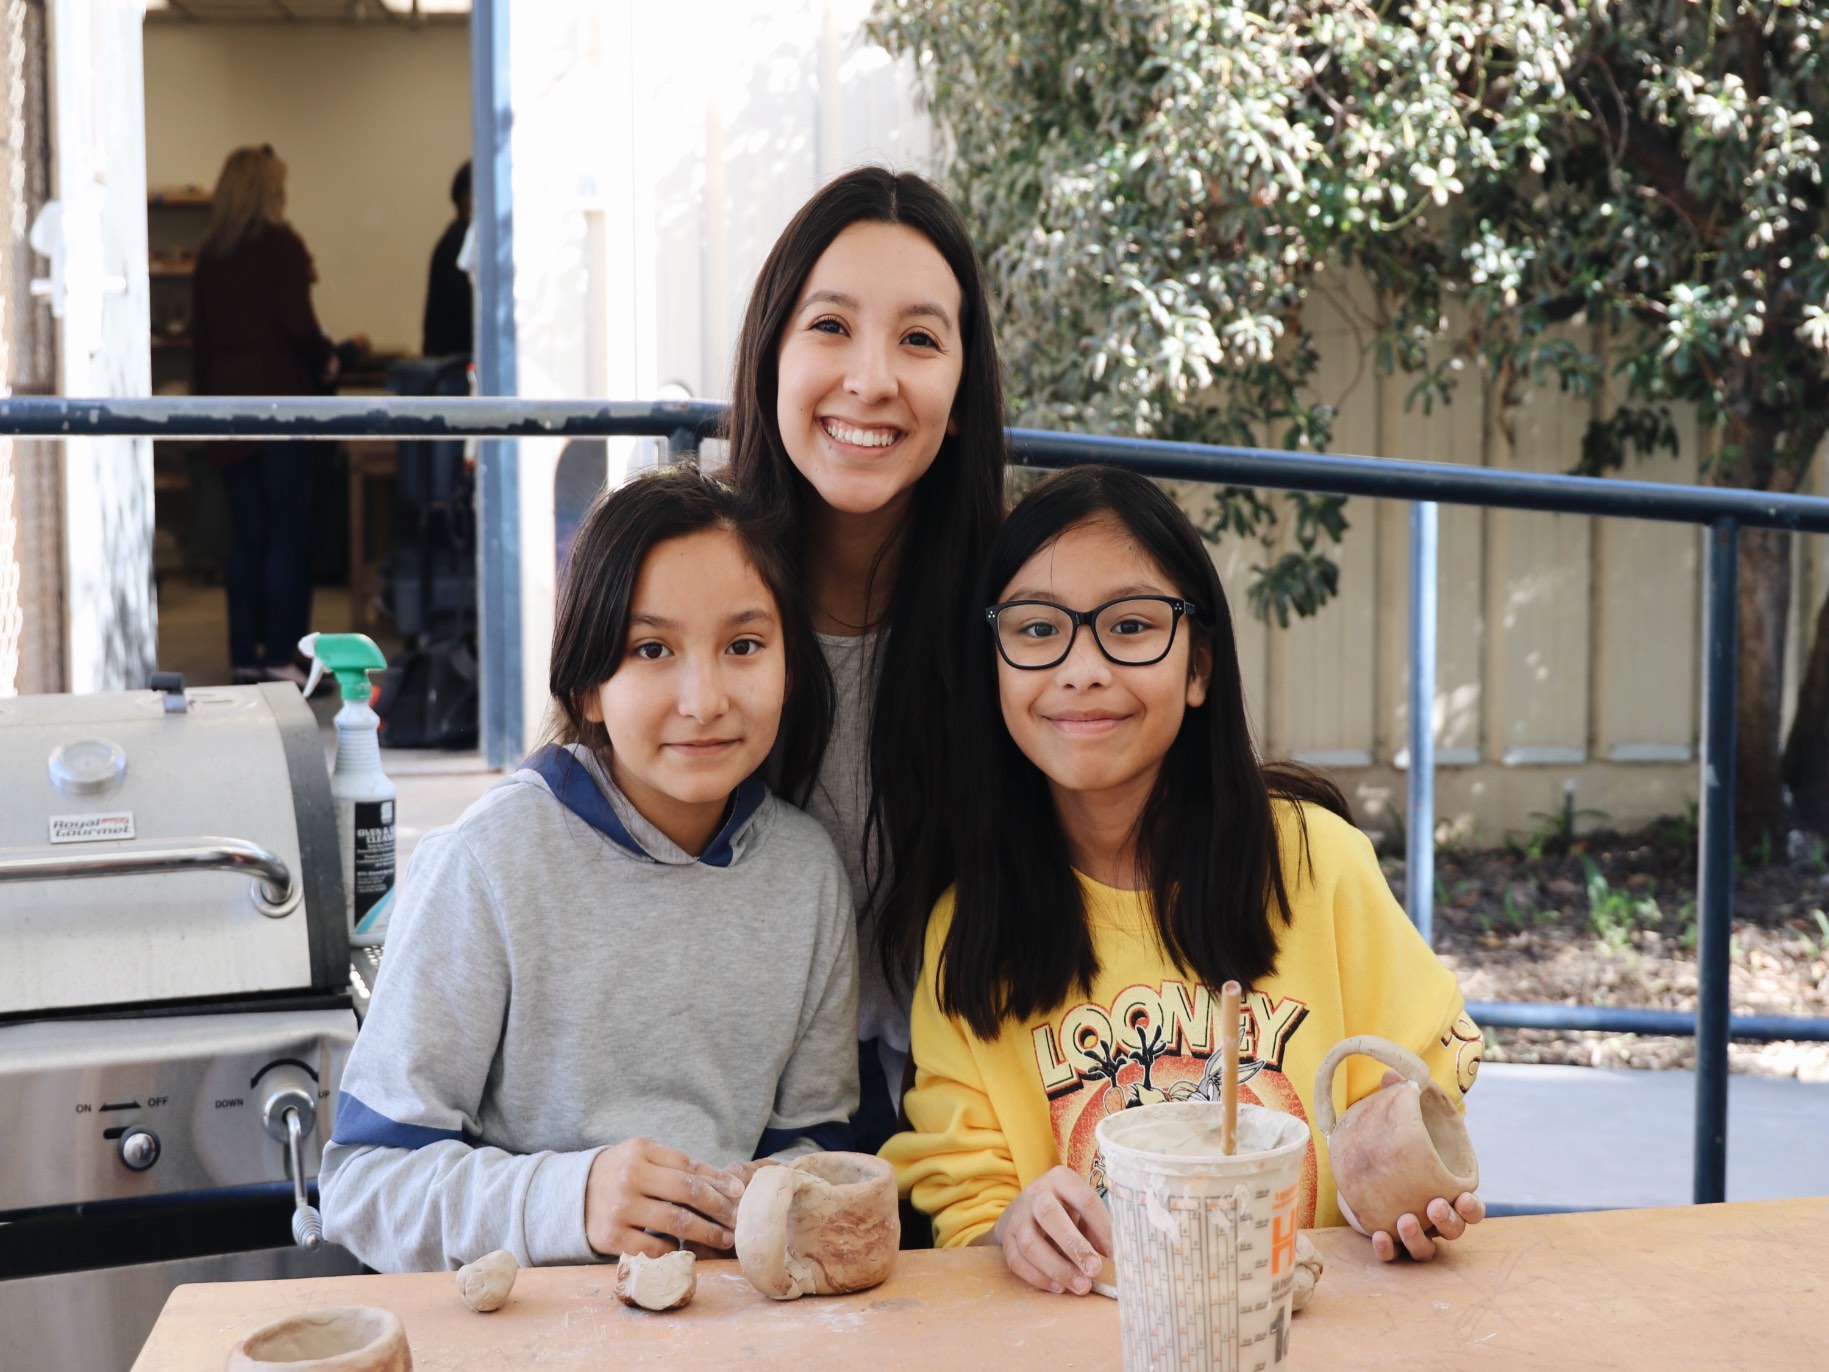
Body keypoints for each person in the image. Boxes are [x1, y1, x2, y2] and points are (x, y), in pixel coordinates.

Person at [882, 465, 1486, 1292]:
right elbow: (963, 1188)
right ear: (992, 670)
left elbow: (1421, 1072)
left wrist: (1396, 1194)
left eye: (1129, 627)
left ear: (1198, 667)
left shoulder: (1317, 862)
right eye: (1034, 630)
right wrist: (1009, 1227)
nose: (1082, 667)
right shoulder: (970, 924)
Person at [319, 467, 858, 1273]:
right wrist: (569, 1198)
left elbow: (817, 1144)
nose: (704, 698)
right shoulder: (486, 864)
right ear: (587, 686)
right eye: (650, 649)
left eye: (743, 646)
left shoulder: (807, 876)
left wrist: (783, 1190)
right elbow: (363, 1186)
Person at [725, 167, 1008, 1151]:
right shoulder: (681, 602)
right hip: (717, 1116)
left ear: (963, 392)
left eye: (919, 339)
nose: (871, 379)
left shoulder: (1026, 623)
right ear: (769, 354)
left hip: (969, 1127)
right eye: (831, 326)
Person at [191, 144, 341, 685]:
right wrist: (327, 359)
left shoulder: (210, 257)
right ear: (266, 191)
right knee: (287, 537)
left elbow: (201, 344)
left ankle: (244, 657)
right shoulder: (280, 247)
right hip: (280, 408)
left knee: (247, 539)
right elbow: (298, 326)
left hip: (227, 411)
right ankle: (282, 655)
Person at [421, 160, 472, 358]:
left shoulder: (457, 240)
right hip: (455, 368)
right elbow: (469, 311)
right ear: (468, 198)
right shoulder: (460, 244)